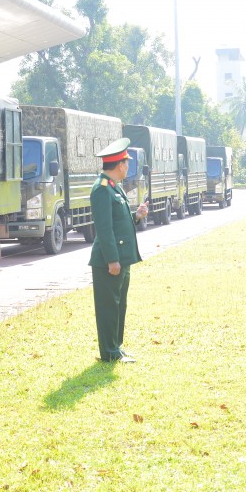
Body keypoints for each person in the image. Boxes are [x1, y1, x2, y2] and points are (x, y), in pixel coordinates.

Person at [88, 138, 150, 363]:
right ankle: (109, 352)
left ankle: (116, 347)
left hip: (122, 259)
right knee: (108, 307)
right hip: (109, 261)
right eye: (126, 162)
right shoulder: (102, 189)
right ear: (119, 165)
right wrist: (112, 260)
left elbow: (118, 224)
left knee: (119, 305)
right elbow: (104, 230)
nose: (128, 166)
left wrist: (137, 216)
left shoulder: (114, 187)